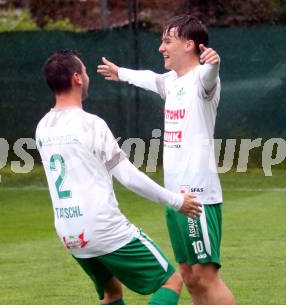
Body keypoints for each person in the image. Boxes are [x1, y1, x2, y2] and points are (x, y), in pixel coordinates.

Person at [36, 50, 202, 305]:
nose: (89, 77)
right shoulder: (91, 124)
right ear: (77, 78)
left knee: (111, 292)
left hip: (70, 232)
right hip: (103, 228)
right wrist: (177, 201)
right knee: (171, 281)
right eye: (86, 72)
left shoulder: (43, 126)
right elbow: (129, 177)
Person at [97, 15, 236, 305]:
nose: (161, 47)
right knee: (188, 275)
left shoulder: (202, 79)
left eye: (167, 41)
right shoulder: (172, 82)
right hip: (176, 197)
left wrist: (214, 63)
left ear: (189, 45)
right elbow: (149, 78)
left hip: (198, 199)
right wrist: (120, 72)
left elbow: (210, 76)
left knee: (206, 276)